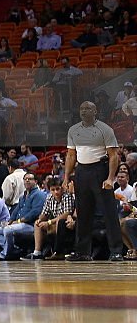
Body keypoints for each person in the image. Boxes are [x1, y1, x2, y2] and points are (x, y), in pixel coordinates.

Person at [64, 101, 125, 261]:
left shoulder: (105, 129)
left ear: (95, 111)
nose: (84, 111)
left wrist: (111, 178)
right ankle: (82, 252)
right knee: (83, 213)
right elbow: (71, 155)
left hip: (100, 170)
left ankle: (116, 251)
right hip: (81, 171)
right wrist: (66, 177)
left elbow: (113, 155)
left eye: (88, 109)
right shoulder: (73, 130)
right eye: (82, 109)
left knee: (109, 212)